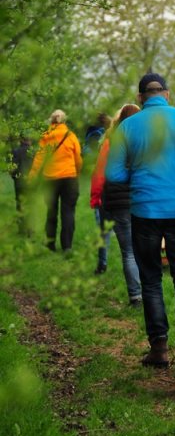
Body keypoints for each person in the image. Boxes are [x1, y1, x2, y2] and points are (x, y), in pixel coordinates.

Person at [106, 72, 175, 367]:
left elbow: (113, 174)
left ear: (140, 98)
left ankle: (159, 348)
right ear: (167, 94)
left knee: (151, 280)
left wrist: (137, 176)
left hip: (144, 212)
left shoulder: (127, 126)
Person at [90, 104, 142, 307]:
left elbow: (100, 172)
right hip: (143, 199)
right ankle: (150, 292)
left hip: (119, 202)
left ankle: (136, 296)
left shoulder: (111, 141)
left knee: (128, 251)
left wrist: (96, 197)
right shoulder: (147, 140)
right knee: (144, 249)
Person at [28, 109, 82, 253]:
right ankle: (67, 247)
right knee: (68, 212)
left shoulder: (46, 136)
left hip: (50, 179)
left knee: (51, 212)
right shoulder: (71, 136)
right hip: (69, 179)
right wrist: (77, 172)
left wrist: (32, 176)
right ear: (64, 121)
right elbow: (78, 158)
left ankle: (50, 244)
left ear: (51, 120)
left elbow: (39, 159)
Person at [9, 135, 33, 233]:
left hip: (19, 182)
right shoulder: (33, 152)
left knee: (20, 204)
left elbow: (12, 168)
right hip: (31, 181)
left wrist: (15, 178)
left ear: (21, 140)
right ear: (29, 141)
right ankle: (30, 229)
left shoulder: (15, 151)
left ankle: (21, 229)